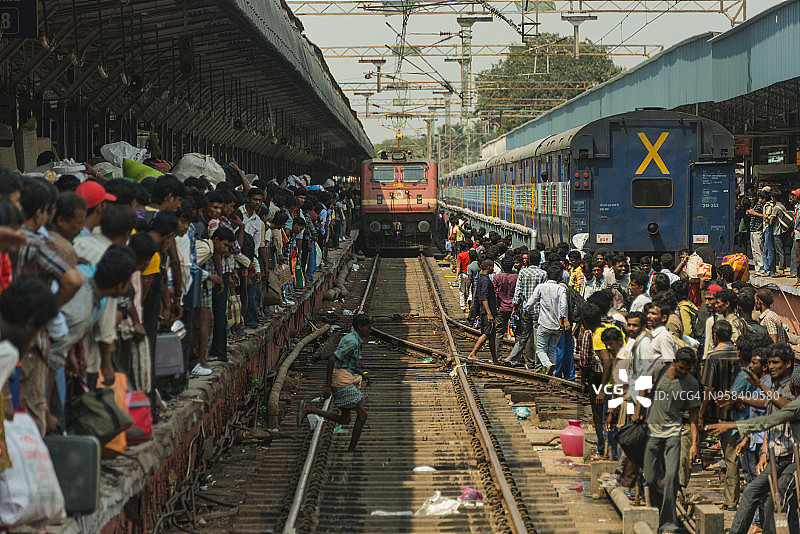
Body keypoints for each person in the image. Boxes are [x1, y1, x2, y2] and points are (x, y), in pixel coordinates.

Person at [708, 343, 798, 534]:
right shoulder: (775, 385)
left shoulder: (793, 386)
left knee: (781, 499)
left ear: (788, 364)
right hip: (777, 455)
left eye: (776, 363)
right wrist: (740, 398)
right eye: (769, 363)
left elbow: (780, 410)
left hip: (792, 458)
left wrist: (734, 424)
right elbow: (768, 407)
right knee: (752, 492)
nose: (771, 367)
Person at [637, 347, 700, 534]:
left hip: (674, 433)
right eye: (680, 368)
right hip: (652, 432)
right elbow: (643, 386)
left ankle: (668, 522)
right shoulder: (659, 371)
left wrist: (695, 444)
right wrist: (639, 408)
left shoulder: (692, 384)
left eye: (687, 370)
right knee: (649, 477)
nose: (683, 373)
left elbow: (694, 414)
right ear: (674, 361)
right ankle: (657, 510)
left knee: (672, 476)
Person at [298, 313, 372, 452]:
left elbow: (345, 361)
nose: (370, 331)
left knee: (345, 419)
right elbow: (333, 359)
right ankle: (351, 450)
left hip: (345, 377)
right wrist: (327, 386)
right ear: (360, 327)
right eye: (367, 328)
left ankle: (309, 410)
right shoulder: (352, 341)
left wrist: (361, 374)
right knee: (362, 415)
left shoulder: (354, 339)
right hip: (342, 380)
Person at [698, 320, 741, 510]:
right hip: (736, 413)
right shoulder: (740, 355)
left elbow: (709, 389)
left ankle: (677, 490)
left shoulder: (713, 357)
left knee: (692, 444)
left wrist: (700, 414)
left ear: (715, 336)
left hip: (714, 413)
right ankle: (731, 501)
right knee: (732, 457)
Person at [505, 251, 546, 367]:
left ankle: (514, 358)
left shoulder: (523, 272)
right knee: (538, 338)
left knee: (524, 336)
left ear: (528, 261)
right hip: (539, 310)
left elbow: (518, 292)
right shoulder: (543, 274)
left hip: (525, 310)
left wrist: (515, 307)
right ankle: (538, 363)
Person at [526, 264, 568, 375]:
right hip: (556, 325)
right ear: (559, 276)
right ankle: (552, 374)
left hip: (544, 323)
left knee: (540, 349)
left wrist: (526, 310)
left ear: (547, 276)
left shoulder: (541, 287)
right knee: (553, 349)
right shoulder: (561, 289)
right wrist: (562, 319)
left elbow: (531, 302)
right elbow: (563, 305)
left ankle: (548, 365)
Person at [468, 260, 498, 363]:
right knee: (487, 333)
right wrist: (489, 314)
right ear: (489, 267)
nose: (493, 269)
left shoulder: (481, 279)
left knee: (492, 335)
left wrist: (477, 313)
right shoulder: (485, 281)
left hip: (485, 311)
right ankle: (473, 354)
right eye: (492, 267)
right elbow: (484, 298)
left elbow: (477, 297)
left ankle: (495, 359)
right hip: (488, 312)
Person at [492, 256, 518, 362]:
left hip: (501, 308)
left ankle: (497, 357)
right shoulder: (517, 277)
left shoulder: (497, 277)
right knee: (518, 334)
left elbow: (493, 293)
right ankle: (516, 357)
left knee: (499, 333)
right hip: (514, 309)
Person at [746, 191, 765, 275]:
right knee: (754, 251)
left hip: (758, 230)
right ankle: (757, 268)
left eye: (752, 197)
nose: (751, 199)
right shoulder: (752, 205)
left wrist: (754, 213)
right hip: (752, 230)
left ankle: (761, 269)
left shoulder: (759, 205)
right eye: (749, 197)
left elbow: (764, 216)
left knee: (758, 250)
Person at [455, 241, 472, 312]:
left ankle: (463, 307)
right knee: (470, 289)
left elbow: (458, 266)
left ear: (460, 247)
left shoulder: (459, 255)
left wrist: (456, 276)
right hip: (469, 274)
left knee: (462, 290)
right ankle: (469, 299)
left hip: (462, 274)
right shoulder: (469, 254)